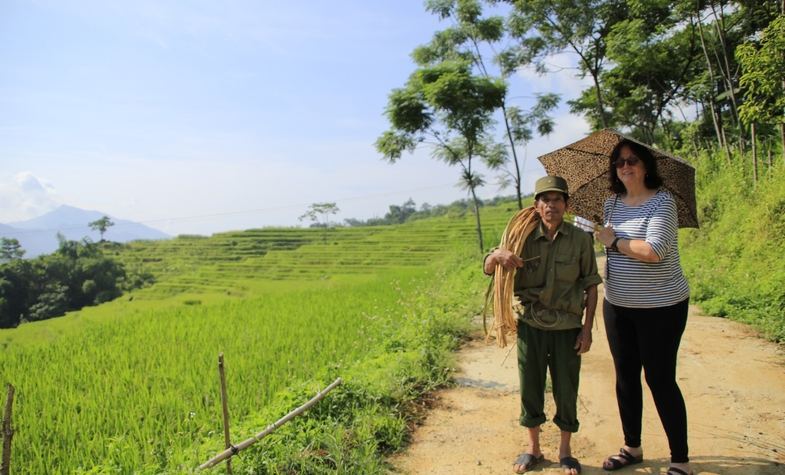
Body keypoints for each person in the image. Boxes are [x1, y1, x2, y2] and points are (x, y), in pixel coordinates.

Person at [484, 176, 601, 475]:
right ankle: (533, 448)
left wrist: (586, 330)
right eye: (545, 200)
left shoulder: (580, 240)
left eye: (557, 199)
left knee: (566, 387)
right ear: (536, 206)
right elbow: (488, 267)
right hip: (530, 325)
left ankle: (565, 451)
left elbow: (590, 286)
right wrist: (498, 255)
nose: (552, 205)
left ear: (566, 205)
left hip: (566, 327)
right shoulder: (518, 238)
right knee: (530, 386)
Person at [596, 139, 692, 475]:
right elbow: (610, 246)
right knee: (625, 378)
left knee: (660, 379)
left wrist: (615, 242)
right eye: (619, 162)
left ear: (646, 165)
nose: (625, 166)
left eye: (632, 160)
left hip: (662, 307)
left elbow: (654, 252)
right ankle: (631, 447)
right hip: (618, 305)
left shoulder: (663, 202)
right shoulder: (611, 204)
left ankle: (680, 460)